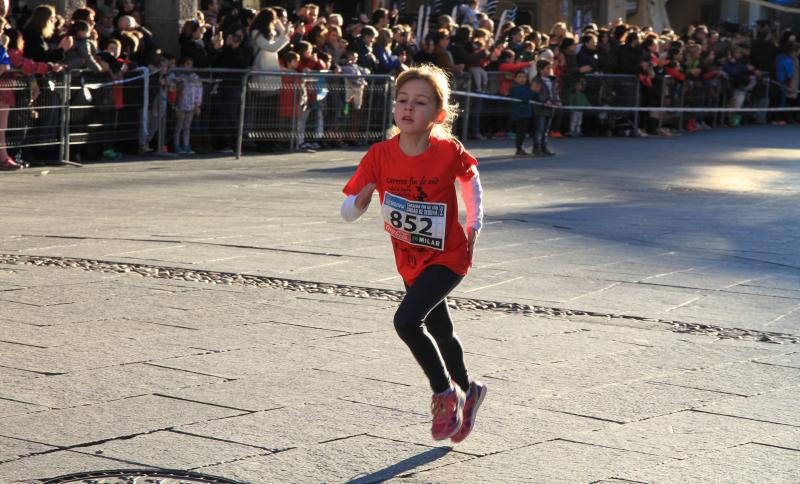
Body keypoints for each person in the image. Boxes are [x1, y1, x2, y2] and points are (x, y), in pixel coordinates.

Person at [340, 65, 487, 443]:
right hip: (409, 259)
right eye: (402, 100)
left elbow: (471, 183)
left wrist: (474, 225)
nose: (408, 108)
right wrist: (359, 201)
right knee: (441, 329)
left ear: (438, 115)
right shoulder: (379, 155)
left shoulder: (447, 151)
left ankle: (445, 393)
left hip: (449, 255)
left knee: (407, 321)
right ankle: (470, 390)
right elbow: (347, 212)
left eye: (419, 102)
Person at [171, 57, 203, 154]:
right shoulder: (179, 76)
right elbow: (176, 91)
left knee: (187, 127)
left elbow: (199, 91)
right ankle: (176, 145)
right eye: (187, 64)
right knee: (179, 126)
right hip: (181, 105)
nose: (189, 66)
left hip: (191, 106)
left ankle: (186, 145)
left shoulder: (196, 77)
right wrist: (175, 106)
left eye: (191, 64)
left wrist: (197, 104)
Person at [531, 59, 560, 156]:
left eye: (550, 68)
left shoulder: (552, 80)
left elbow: (555, 92)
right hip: (540, 109)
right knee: (539, 129)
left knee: (546, 130)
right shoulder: (537, 81)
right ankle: (536, 148)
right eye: (547, 68)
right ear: (540, 70)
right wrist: (544, 101)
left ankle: (544, 147)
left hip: (550, 108)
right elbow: (535, 94)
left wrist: (557, 101)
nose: (549, 70)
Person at [507, 70, 535, 156]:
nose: (522, 79)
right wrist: (533, 91)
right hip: (520, 112)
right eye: (520, 77)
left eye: (524, 77)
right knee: (521, 131)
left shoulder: (525, 87)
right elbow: (525, 99)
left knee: (524, 131)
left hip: (526, 112)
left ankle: (521, 147)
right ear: (515, 78)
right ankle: (519, 148)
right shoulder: (515, 88)